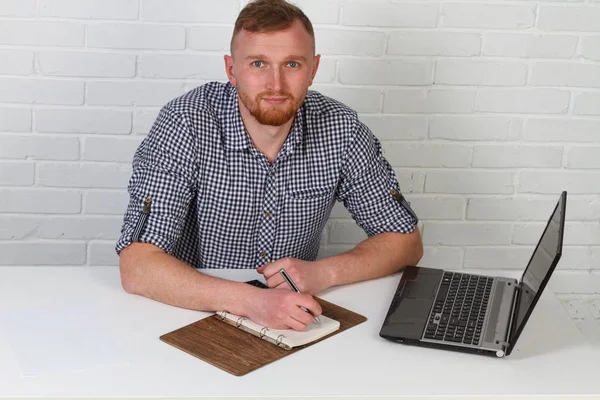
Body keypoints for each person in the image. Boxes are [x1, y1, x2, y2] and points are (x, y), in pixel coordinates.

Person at [116, 0, 423, 332]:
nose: (275, 84)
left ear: (313, 70)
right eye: (258, 63)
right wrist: (253, 302)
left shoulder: (342, 130)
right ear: (232, 70)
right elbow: (136, 265)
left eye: (292, 64)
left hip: (292, 318)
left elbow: (405, 242)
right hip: (190, 313)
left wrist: (325, 272)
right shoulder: (186, 123)